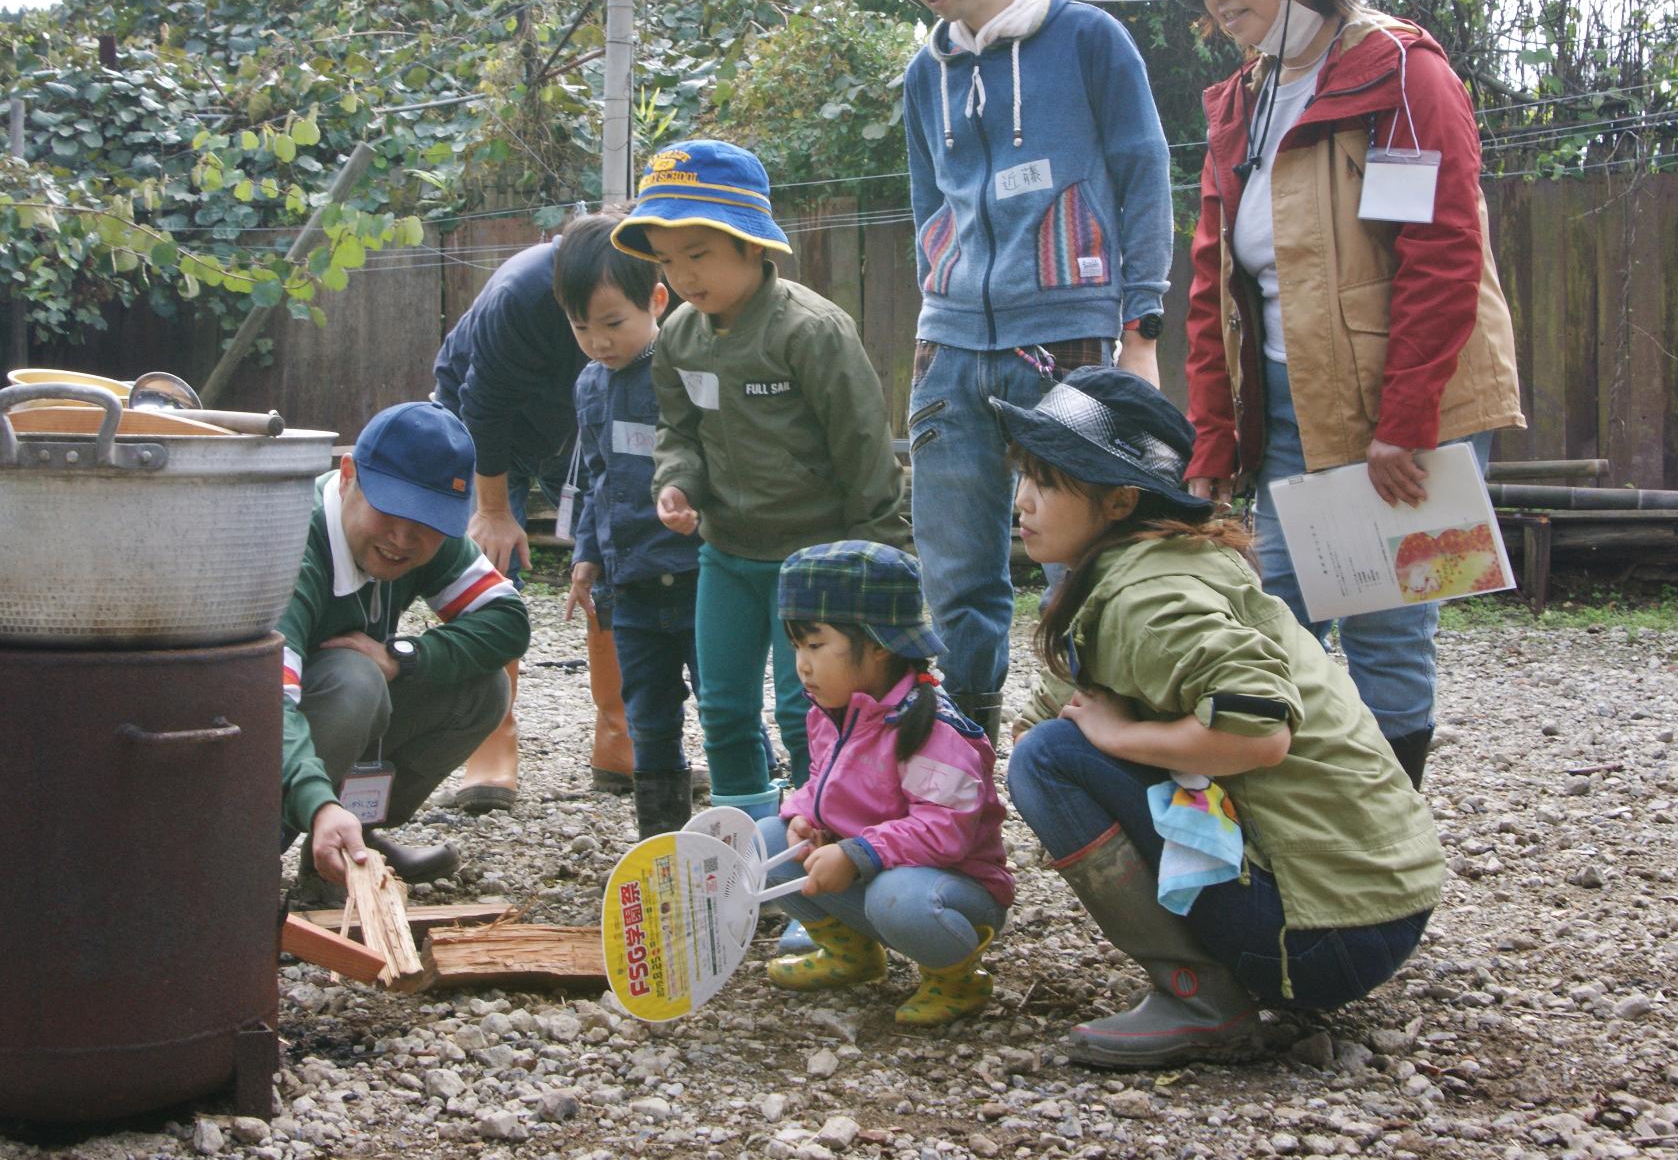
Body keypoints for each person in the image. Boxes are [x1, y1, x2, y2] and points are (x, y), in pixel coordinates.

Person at [1161, 0, 1523, 786]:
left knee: (1390, 620)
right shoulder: (1240, 102)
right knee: (1272, 614)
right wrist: (1212, 433)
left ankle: (1389, 845)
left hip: (1406, 398)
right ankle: (1304, 829)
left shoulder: (1401, 70)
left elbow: (1441, 253)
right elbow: (1211, 281)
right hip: (1284, 399)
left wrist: (1406, 420)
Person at [994, 368, 1444, 1067]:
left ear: (1120, 501)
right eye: (1024, 474)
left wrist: (1123, 736)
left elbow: (1262, 730)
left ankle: (1201, 999)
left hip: (1328, 935)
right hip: (1380, 907)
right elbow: (1060, 704)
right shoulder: (1153, 562)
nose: (1021, 499)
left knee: (1048, 763)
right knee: (1052, 746)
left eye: (1048, 481)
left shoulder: (1149, 596)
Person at [876, 0, 1175, 739]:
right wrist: (941, 283)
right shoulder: (922, 75)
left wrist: (1141, 324)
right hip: (951, 349)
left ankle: (1080, 742)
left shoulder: (1087, 40)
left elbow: (1143, 174)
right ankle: (963, 758)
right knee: (956, 570)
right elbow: (927, 201)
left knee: (1078, 561)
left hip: (1071, 341)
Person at [612, 138, 906, 822]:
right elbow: (678, 431)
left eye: (698, 254)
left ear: (752, 245)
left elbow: (866, 453)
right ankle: (747, 852)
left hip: (814, 559)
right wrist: (676, 484)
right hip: (726, 554)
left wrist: (883, 569)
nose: (682, 275)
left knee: (807, 703)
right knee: (721, 703)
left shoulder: (812, 331)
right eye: (666, 259)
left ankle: (821, 841)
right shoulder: (679, 338)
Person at [281, 401, 531, 903]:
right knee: (357, 680)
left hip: (318, 712)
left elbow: (508, 621)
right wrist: (316, 803)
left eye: (426, 520)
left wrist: (403, 656)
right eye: (389, 510)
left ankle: (352, 847)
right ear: (348, 474)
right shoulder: (292, 542)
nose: (402, 538)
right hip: (253, 737)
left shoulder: (430, 541)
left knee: (484, 688)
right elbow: (264, 703)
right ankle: (239, 862)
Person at [758, 541, 1011, 1026]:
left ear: (878, 644)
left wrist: (857, 854)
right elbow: (820, 781)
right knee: (767, 841)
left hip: (951, 891)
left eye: (815, 645)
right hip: (877, 872)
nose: (802, 665)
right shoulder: (833, 712)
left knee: (896, 897)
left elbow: (944, 831)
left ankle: (957, 976)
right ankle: (851, 954)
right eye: (795, 647)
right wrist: (804, 818)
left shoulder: (935, 729)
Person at [433, 224, 636, 810]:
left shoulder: (652, 277)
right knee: (487, 572)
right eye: (583, 323)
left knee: (623, 554)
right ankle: (489, 746)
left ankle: (621, 740)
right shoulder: (519, 297)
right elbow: (483, 405)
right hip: (484, 426)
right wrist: (493, 509)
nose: (597, 335)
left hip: (582, 423)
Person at [558, 213, 704, 840]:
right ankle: (662, 845)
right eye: (580, 327)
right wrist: (587, 557)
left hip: (699, 575)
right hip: (632, 585)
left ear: (657, 300)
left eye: (612, 323)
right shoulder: (590, 386)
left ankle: (749, 835)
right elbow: (596, 481)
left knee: (725, 708)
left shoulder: (686, 369)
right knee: (647, 715)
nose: (598, 341)